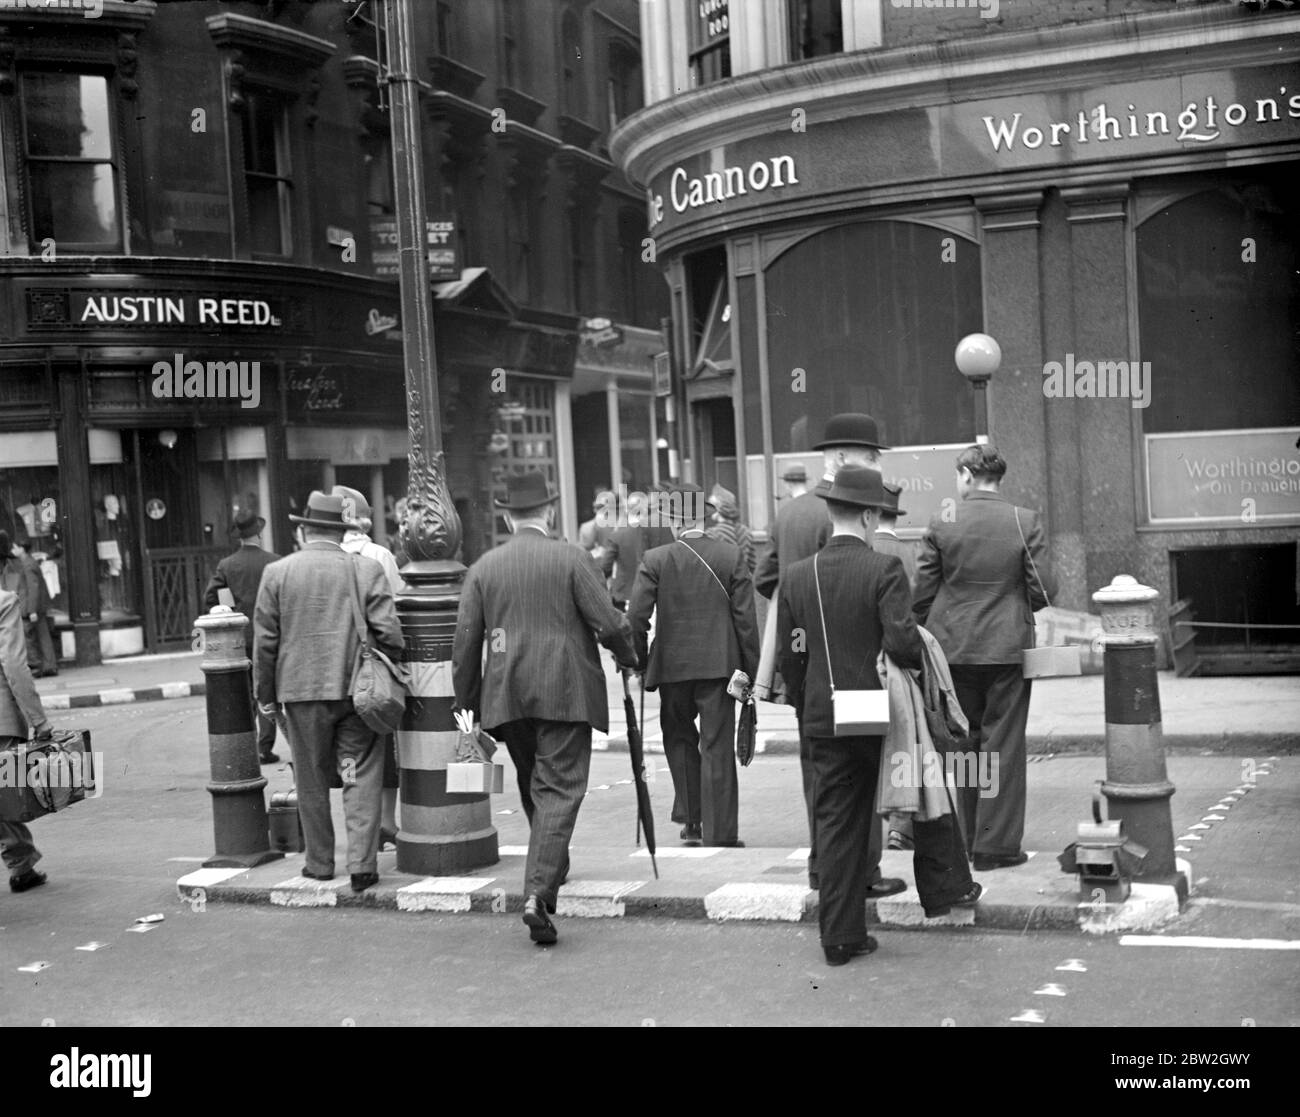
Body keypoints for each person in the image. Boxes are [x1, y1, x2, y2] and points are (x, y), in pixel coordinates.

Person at [452, 470, 638, 946]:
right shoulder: (571, 557)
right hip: (565, 690)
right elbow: (608, 623)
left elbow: (465, 646)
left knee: (533, 780)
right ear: (549, 512)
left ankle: (553, 866)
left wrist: (467, 707)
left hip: (505, 694)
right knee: (559, 788)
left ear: (507, 516)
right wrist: (631, 657)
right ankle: (538, 892)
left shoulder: (483, 569)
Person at [776, 464, 925, 966]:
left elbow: (792, 653)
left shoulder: (797, 576)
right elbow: (903, 641)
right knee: (878, 810)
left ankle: (839, 935)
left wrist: (803, 700)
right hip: (871, 708)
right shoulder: (883, 570)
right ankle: (942, 886)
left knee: (835, 823)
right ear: (866, 516)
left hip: (820, 710)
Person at [755, 414, 904, 899]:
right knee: (857, 785)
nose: (878, 466)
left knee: (816, 779)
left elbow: (769, 579)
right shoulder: (848, 511)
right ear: (841, 459)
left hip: (807, 678)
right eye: (871, 457)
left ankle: (824, 868)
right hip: (852, 679)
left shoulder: (790, 512)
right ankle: (861, 872)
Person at [913, 444, 1056, 870]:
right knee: (1003, 746)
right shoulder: (1024, 519)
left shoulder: (943, 521)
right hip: (1007, 649)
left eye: (958, 477)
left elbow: (921, 593)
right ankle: (995, 848)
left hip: (952, 650)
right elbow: (1045, 590)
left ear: (968, 475)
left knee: (965, 746)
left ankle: (970, 838)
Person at [253, 491, 403, 893]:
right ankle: (362, 866)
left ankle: (319, 863)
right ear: (342, 532)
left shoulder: (278, 573)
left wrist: (265, 696)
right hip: (356, 695)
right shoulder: (365, 569)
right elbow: (389, 632)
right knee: (358, 774)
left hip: (301, 698)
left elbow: (265, 643)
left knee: (312, 777)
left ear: (304, 530)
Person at [627, 482, 760, 848]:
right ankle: (721, 833)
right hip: (720, 667)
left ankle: (692, 820)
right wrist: (750, 670)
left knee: (680, 740)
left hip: (671, 668)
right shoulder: (730, 555)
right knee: (717, 746)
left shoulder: (656, 559)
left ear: (672, 519)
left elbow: (636, 618)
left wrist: (638, 662)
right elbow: (746, 622)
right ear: (706, 516)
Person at [333, 486, 404, 851]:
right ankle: (385, 823)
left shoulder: (323, 556)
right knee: (382, 743)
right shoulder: (379, 555)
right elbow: (395, 610)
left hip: (332, 671)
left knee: (348, 758)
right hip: (371, 667)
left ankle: (357, 834)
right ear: (365, 520)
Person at [203, 511, 282, 763]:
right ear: (259, 533)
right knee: (268, 690)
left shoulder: (227, 565)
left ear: (239, 536)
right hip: (272, 636)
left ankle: (249, 743)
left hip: (241, 637)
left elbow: (211, 599)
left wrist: (233, 607)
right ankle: (265, 747)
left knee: (246, 691)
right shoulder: (276, 562)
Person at [0, 579, 57, 893]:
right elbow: (13, 664)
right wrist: (38, 719)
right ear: (4, 564)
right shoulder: (5, 601)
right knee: (5, 795)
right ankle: (22, 866)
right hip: (1, 722)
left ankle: (22, 863)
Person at [872, 482, 919, 851]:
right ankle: (900, 826)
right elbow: (914, 611)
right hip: (897, 661)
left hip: (862, 662)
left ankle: (873, 821)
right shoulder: (906, 553)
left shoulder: (866, 548)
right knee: (903, 741)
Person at [606, 491, 673, 611]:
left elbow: (605, 567)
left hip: (624, 594)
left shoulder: (617, 536)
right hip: (654, 594)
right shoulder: (660, 531)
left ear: (627, 510)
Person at [705, 484, 755, 576]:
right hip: (743, 584)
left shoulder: (712, 534)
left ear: (718, 509)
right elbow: (753, 566)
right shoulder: (746, 531)